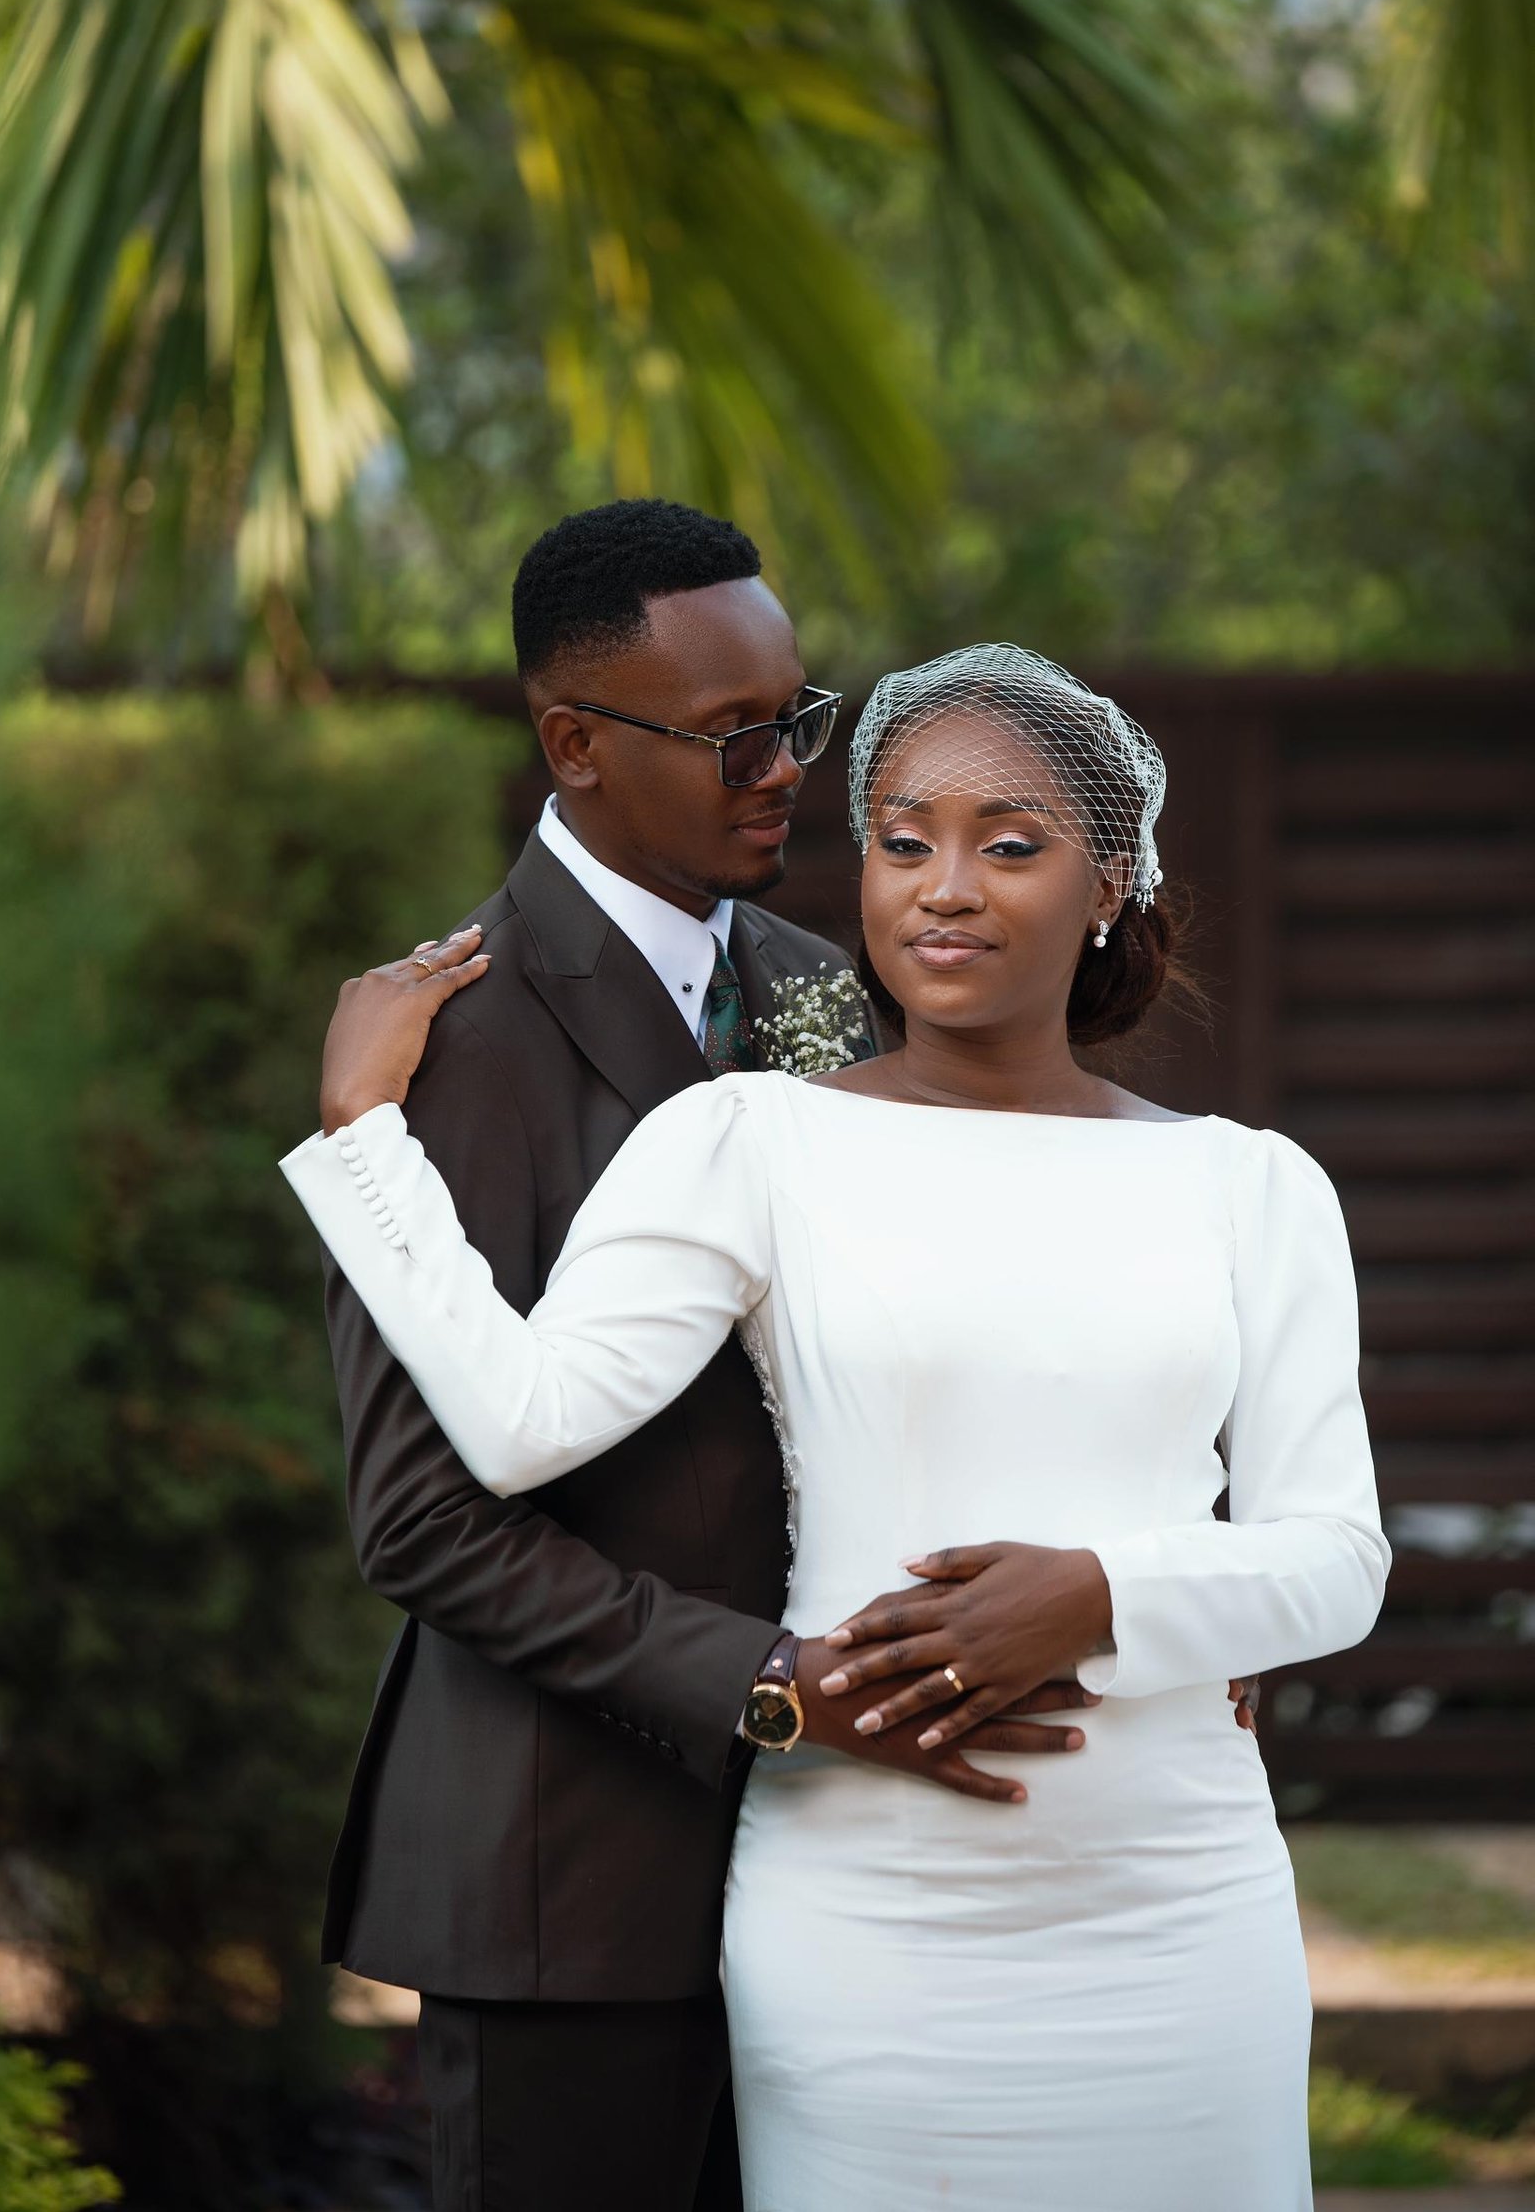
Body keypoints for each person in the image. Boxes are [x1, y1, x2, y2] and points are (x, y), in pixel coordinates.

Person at [287, 639, 1389, 2211]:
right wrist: (363, 1143)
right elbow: (523, 1421)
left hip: (1179, 1902)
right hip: (872, 1909)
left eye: (1011, 844)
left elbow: (1335, 1557)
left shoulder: (1255, 1187)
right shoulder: (750, 1138)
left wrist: (1103, 1595)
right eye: (903, 839)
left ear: (1109, 885)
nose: (947, 886)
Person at [311, 511, 1104, 2212]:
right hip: (573, 1883)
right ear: (574, 745)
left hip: (849, 1869)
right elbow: (422, 1523)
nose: (786, 771)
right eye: (734, 735)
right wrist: (769, 1683)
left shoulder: (826, 990)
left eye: (797, 717)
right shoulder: (455, 1043)